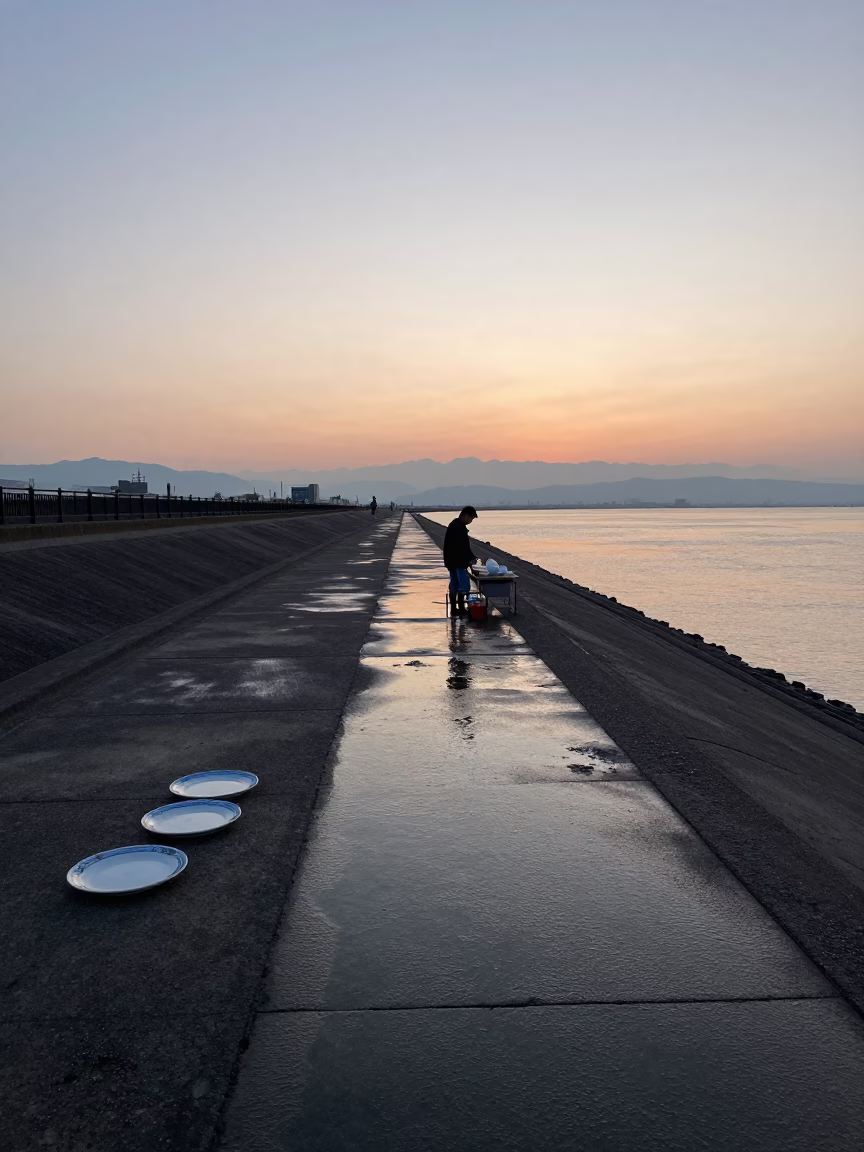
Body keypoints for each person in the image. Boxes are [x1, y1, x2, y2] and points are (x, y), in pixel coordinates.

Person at [443, 505, 478, 616]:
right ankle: (461, 609)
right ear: (465, 515)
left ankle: (454, 609)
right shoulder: (459, 527)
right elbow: (463, 547)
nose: (471, 521)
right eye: (471, 518)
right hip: (457, 562)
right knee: (463, 586)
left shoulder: (455, 525)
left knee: (454, 585)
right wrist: (472, 559)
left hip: (452, 561)